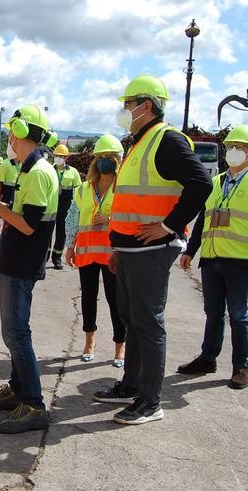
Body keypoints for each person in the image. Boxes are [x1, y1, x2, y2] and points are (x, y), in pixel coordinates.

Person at [92, 75, 212, 425]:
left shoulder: (167, 140)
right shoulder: (139, 141)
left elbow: (200, 184)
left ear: (146, 105)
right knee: (132, 319)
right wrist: (118, 246)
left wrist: (168, 225)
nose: (124, 111)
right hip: (130, 250)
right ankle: (131, 384)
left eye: (127, 104)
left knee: (148, 323)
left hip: (152, 249)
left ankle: (150, 400)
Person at [0, 104, 58, 434]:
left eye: (11, 132)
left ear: (21, 133)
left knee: (16, 332)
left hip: (22, 262)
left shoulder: (38, 172)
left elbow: (28, 225)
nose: (8, 138)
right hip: (16, 260)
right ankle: (18, 390)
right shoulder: (27, 167)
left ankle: (33, 404)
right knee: (15, 330)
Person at [177, 124, 248, 390]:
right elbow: (203, 221)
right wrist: (191, 251)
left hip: (241, 261)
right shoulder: (216, 183)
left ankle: (242, 366)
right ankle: (208, 358)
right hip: (212, 259)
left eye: (239, 148)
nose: (234, 152)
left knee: (240, 316)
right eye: (231, 147)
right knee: (213, 313)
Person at [64, 134, 126, 366]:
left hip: (113, 254)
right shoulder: (83, 189)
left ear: (118, 161)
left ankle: (120, 346)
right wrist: (70, 246)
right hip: (88, 253)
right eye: (101, 157)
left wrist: (109, 219)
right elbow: (72, 218)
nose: (105, 161)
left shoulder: (123, 189)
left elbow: (130, 219)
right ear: (95, 161)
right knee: (88, 298)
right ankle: (89, 341)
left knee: (115, 300)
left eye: (110, 157)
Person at [50, 144, 82, 269]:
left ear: (66, 157)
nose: (59, 158)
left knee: (61, 233)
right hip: (51, 204)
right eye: (57, 155)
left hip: (65, 206)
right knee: (47, 231)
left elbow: (79, 190)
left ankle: (57, 258)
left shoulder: (73, 172)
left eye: (62, 156)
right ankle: (44, 257)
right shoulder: (49, 169)